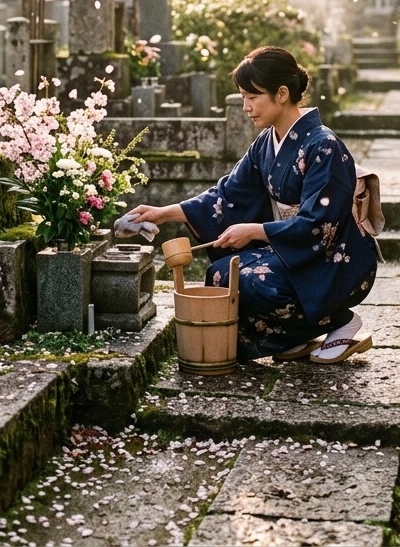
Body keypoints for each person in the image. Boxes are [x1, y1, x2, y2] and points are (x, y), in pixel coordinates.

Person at [126, 45, 378, 364]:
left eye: (252, 97)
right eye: (243, 97)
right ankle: (286, 339)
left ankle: (341, 321)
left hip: (334, 258)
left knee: (256, 282)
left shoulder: (323, 146)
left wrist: (257, 231)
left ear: (282, 93)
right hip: (290, 248)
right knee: (220, 274)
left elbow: (319, 224)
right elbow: (227, 196)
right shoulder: (266, 143)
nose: (246, 106)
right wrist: (163, 213)